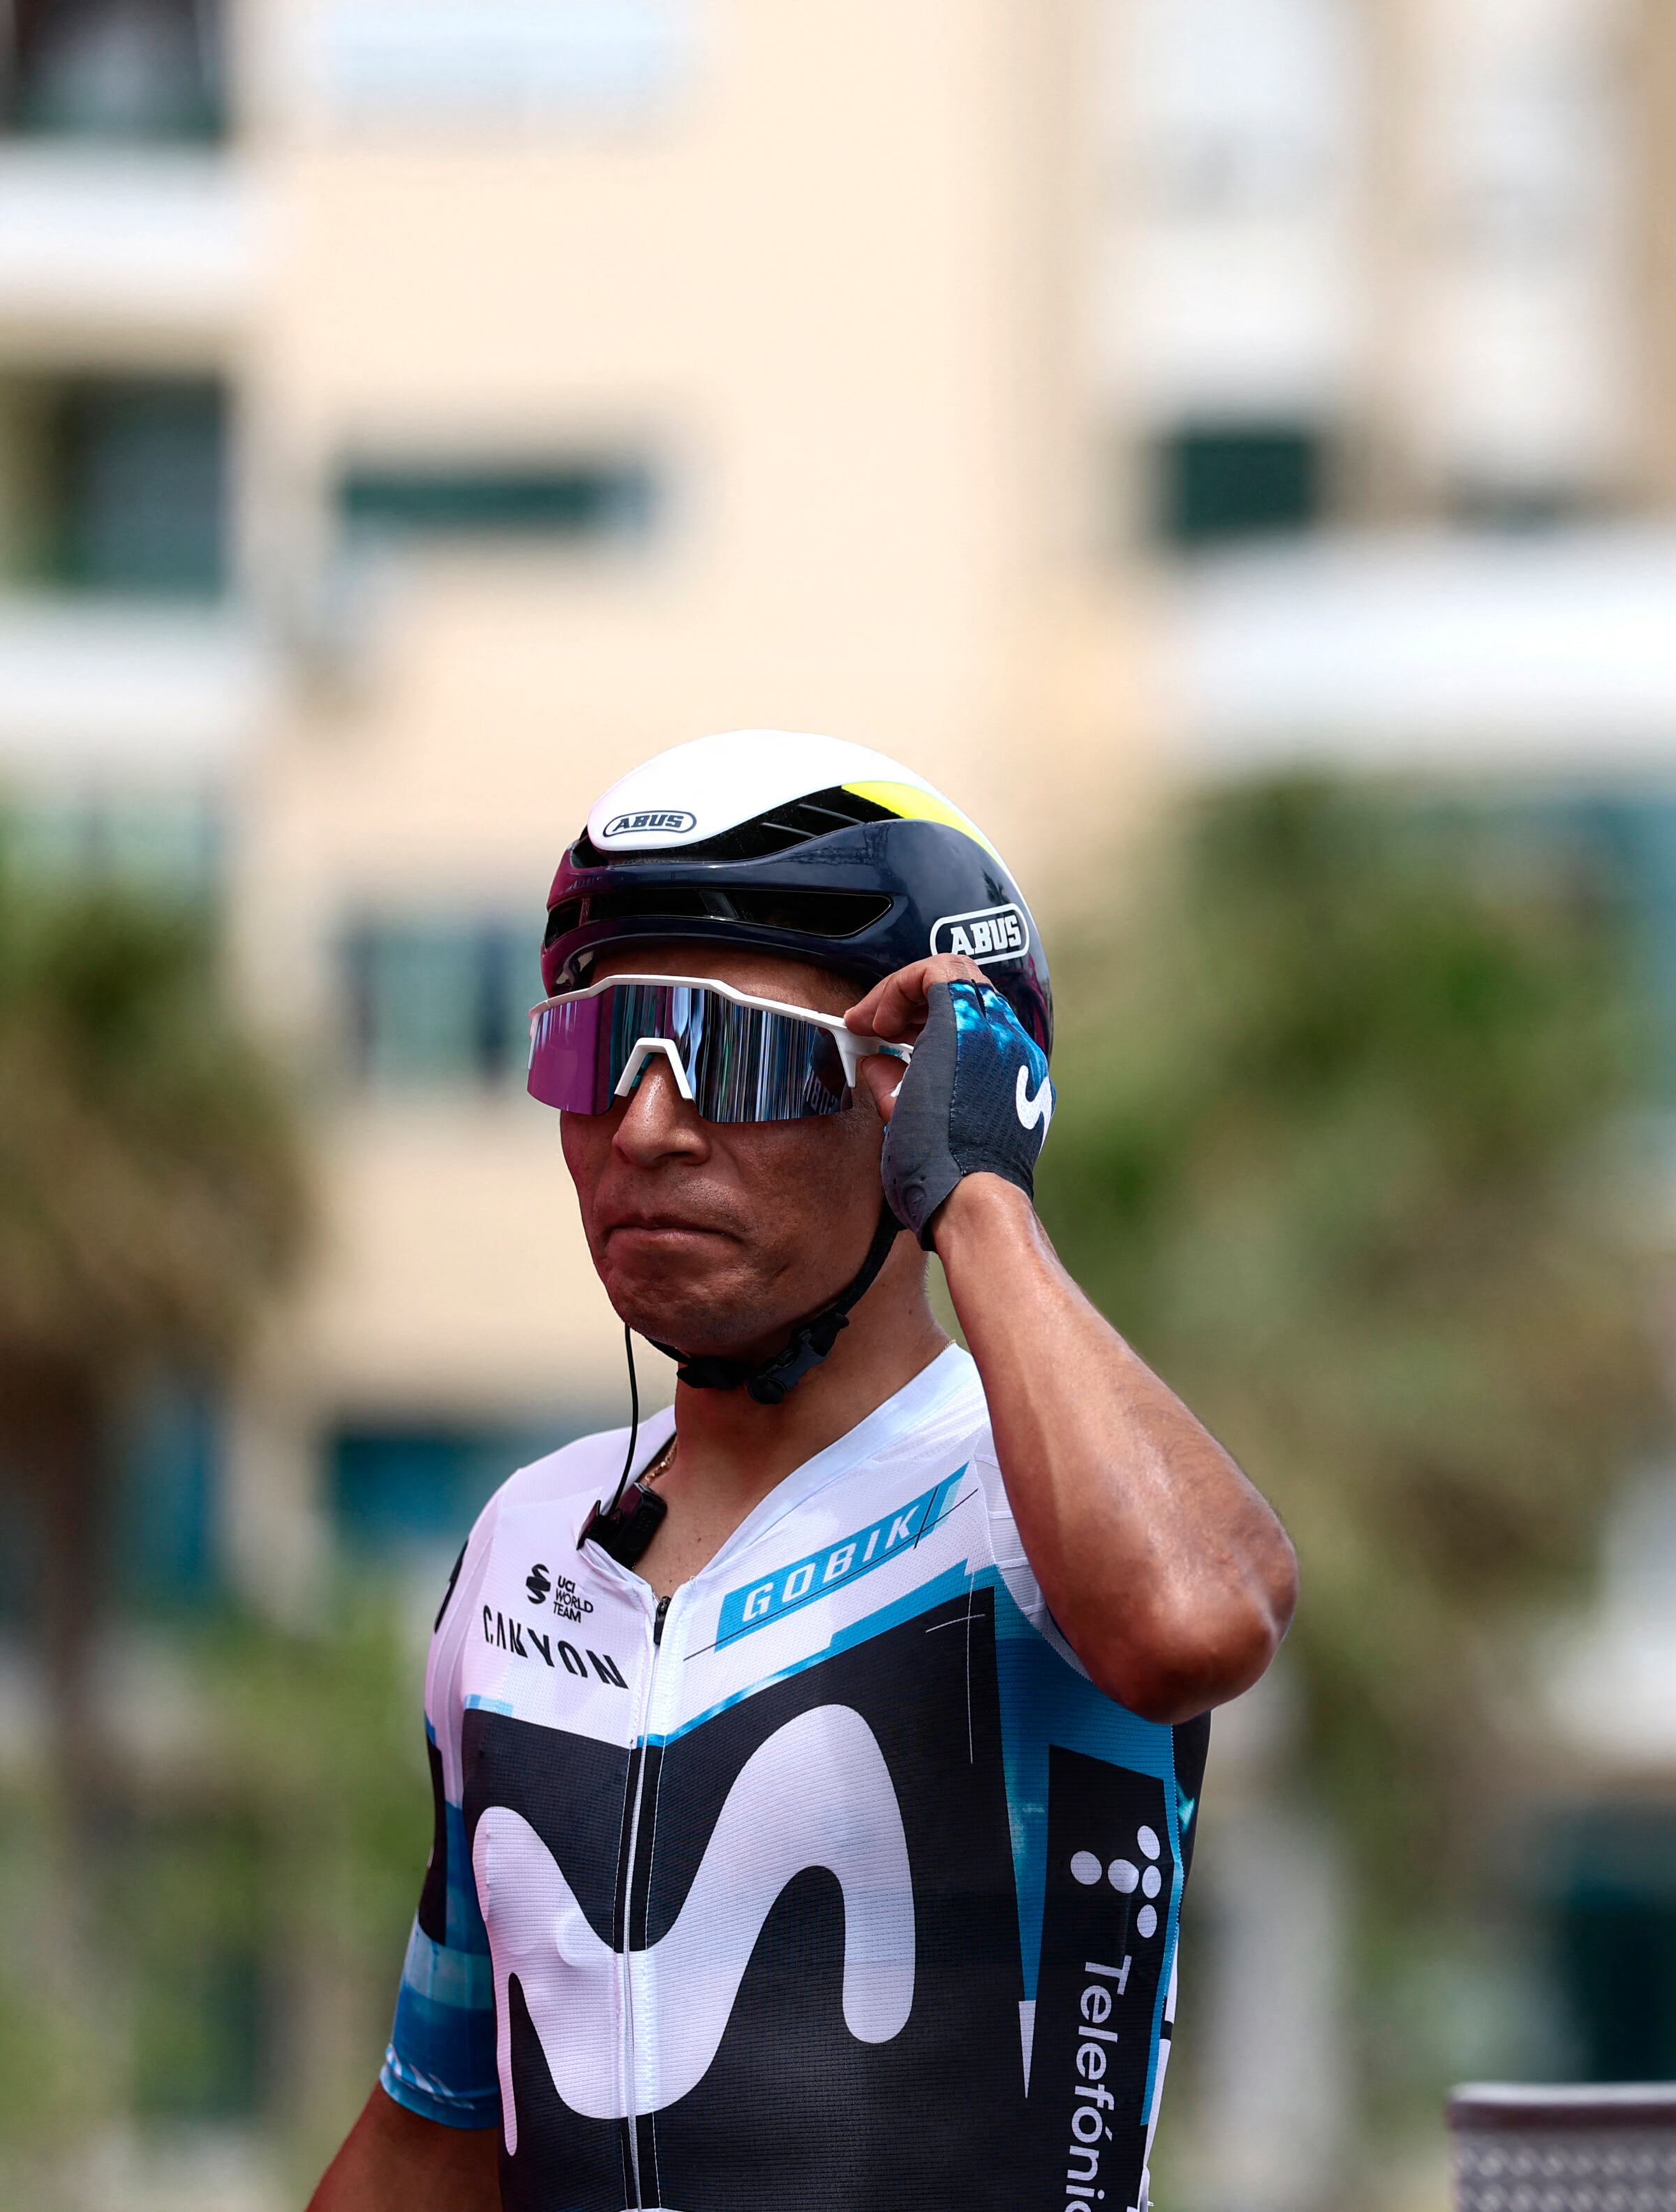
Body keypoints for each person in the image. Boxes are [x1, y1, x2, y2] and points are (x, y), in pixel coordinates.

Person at [304, 729, 1297, 2212]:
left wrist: (982, 1202)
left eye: (736, 1054)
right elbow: (435, 2131)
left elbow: (1197, 1619)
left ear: (925, 1099)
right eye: (593, 1049)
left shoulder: (1034, 1496)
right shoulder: (523, 1542)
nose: (642, 1125)